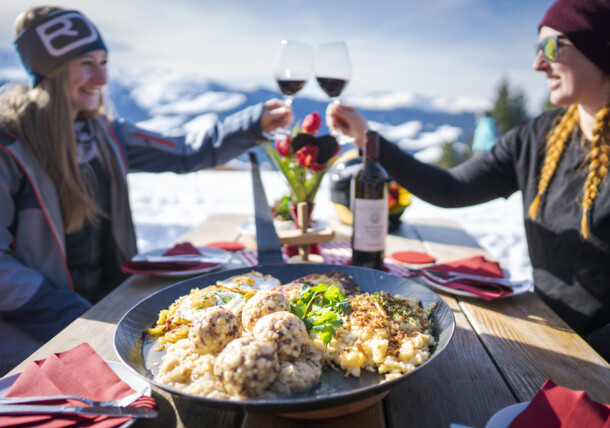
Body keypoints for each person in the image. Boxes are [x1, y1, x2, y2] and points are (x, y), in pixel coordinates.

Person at [0, 6, 291, 375]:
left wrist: (252, 124)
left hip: (107, 307)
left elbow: (185, 151)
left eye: (104, 61)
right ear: (50, 71)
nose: (102, 77)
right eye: (86, 63)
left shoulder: (105, 133)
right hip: (34, 331)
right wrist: (64, 312)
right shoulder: (9, 145)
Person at [327, 0, 610, 362]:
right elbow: (450, 189)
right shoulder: (536, 137)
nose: (538, 64)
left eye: (552, 47)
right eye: (537, 50)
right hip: (549, 332)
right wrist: (370, 140)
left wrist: (587, 362)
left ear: (600, 46)